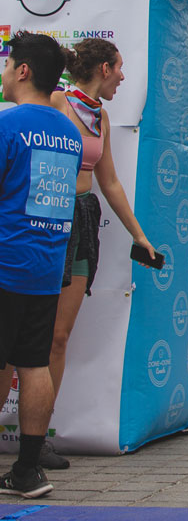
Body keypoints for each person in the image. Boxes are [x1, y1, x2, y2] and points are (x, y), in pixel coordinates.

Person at [32, 39, 160, 469]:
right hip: (46, 220)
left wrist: (139, 237)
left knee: (59, 337)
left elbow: (111, 184)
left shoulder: (100, 115)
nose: (124, 77)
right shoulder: (54, 102)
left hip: (84, 219)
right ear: (104, 68)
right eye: (120, 69)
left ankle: (38, 438)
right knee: (22, 333)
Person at [0, 32, 82, 499]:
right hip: (45, 268)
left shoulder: (7, 127)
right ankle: (28, 470)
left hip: (5, 261)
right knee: (32, 365)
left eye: (9, 64)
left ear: (24, 70)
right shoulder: (67, 131)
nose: (5, 72)